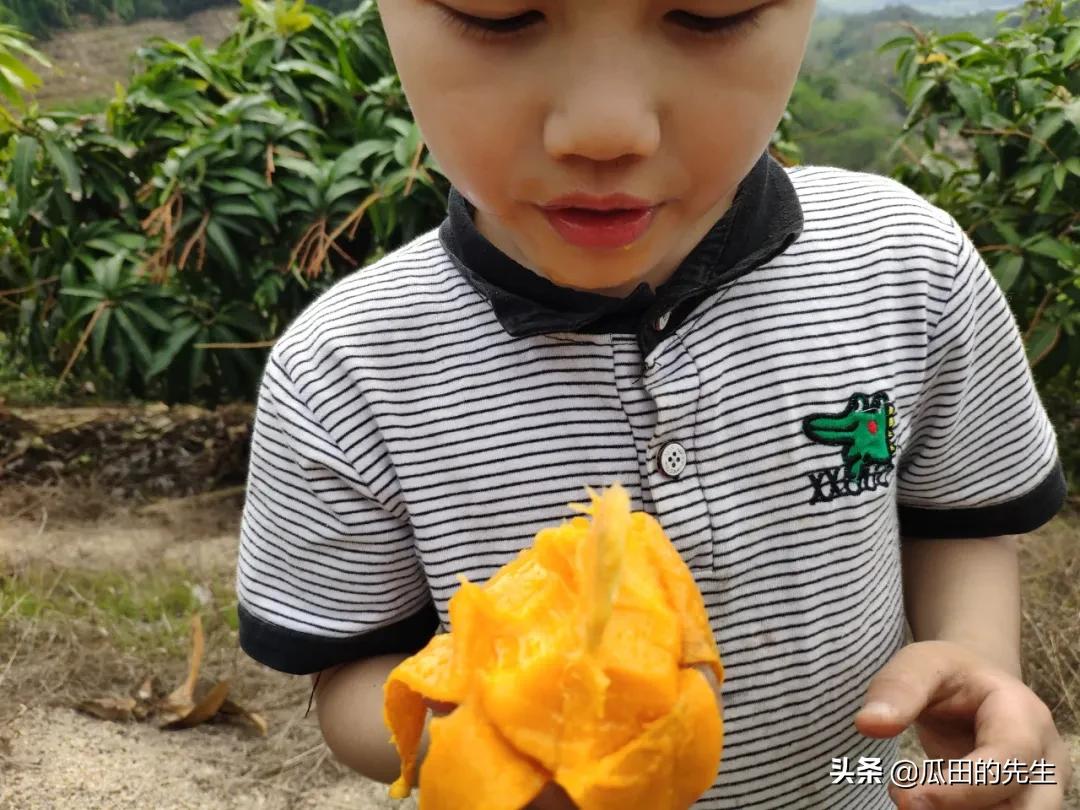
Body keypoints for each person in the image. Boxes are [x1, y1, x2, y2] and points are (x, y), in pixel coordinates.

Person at [234, 1, 1074, 807]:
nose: (607, 131)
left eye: (710, 16)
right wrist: (497, 747)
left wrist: (978, 665)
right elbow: (350, 674)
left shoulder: (904, 268)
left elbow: (959, 522)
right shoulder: (345, 369)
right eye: (499, 17)